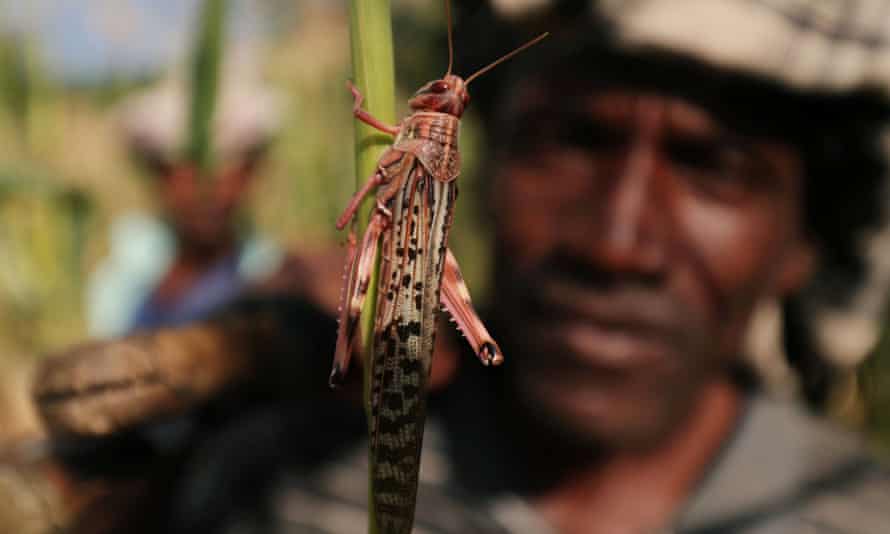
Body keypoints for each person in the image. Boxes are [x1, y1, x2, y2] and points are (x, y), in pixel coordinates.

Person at [29, 1, 890, 533]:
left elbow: (354, 211)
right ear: (489, 147)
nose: (615, 241)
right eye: (574, 138)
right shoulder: (277, 483)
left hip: (416, 245)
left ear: (814, 235)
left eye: (715, 164)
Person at [86, 71, 284, 338]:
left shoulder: (272, 274)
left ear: (250, 175)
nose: (208, 190)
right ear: (158, 175)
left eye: (227, 170)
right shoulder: (123, 285)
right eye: (187, 172)